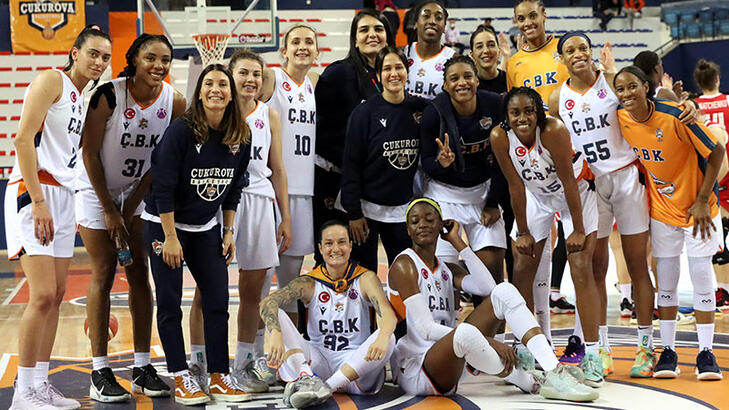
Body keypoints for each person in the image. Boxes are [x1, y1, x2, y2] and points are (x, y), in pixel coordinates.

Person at [387, 198, 598, 402]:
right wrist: (490, 342)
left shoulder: (446, 269)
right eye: (414, 221)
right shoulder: (405, 265)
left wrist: (459, 243)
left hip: (453, 358)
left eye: (429, 220)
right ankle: (529, 382)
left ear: (442, 225)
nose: (422, 225)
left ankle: (554, 371)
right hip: (416, 368)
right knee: (465, 333)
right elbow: (426, 329)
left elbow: (488, 288)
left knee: (504, 290)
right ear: (408, 230)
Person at [4, 25, 111, 410]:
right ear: (75, 53)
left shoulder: (84, 99)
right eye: (93, 53)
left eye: (105, 57)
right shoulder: (52, 80)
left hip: (64, 195)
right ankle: (22, 392)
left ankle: (39, 384)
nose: (98, 62)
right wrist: (37, 201)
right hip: (34, 190)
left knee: (58, 295)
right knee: (43, 294)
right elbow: (22, 139)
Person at [75, 33, 185, 402]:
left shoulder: (175, 101)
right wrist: (109, 209)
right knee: (105, 270)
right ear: (134, 59)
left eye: (165, 60)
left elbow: (162, 160)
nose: (158, 65)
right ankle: (99, 370)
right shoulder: (108, 95)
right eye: (151, 58)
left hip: (137, 192)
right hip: (94, 189)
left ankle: (141, 367)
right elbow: (89, 153)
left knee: (140, 271)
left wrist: (130, 205)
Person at [142, 64, 252, 405]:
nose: (216, 89)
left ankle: (219, 376)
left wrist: (228, 230)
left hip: (206, 227)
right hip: (165, 224)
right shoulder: (181, 131)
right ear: (200, 92)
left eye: (223, 84)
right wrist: (170, 237)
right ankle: (181, 376)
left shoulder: (241, 136)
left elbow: (234, 188)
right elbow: (162, 187)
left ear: (231, 94)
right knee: (170, 302)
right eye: (209, 83)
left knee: (218, 300)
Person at [549, 32, 655, 378]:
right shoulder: (557, 98)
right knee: (596, 268)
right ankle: (603, 349)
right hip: (588, 185)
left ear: (591, 52)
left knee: (637, 265)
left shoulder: (611, 82)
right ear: (561, 58)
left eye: (583, 48)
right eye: (570, 50)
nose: (578, 54)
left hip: (625, 178)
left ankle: (646, 347)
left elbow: (654, 103)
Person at [187, 49, 291, 393]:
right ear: (231, 78)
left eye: (256, 74)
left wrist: (285, 217)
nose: (251, 79)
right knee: (206, 287)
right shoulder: (215, 114)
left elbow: (278, 170)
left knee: (254, 289)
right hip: (219, 200)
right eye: (244, 73)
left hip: (260, 200)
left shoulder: (269, 115)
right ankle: (199, 362)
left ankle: (245, 362)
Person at [614, 66, 725, 381]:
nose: (626, 94)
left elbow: (717, 152)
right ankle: (668, 351)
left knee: (701, 278)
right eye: (620, 89)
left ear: (646, 87)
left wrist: (702, 200)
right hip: (662, 212)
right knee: (666, 281)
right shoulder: (620, 117)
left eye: (632, 87)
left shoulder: (676, 115)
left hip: (698, 210)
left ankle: (706, 353)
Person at [490, 87, 605, 386]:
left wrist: (577, 229)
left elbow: (568, 181)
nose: (522, 118)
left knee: (580, 265)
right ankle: (525, 348)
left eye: (529, 111)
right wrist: (523, 232)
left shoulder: (553, 130)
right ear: (506, 116)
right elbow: (515, 185)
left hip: (576, 194)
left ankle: (594, 354)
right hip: (536, 197)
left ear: (538, 113)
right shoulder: (500, 137)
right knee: (521, 265)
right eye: (515, 113)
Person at [259, 220, 397, 409]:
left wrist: (383, 336)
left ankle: (326, 387)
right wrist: (276, 334)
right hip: (319, 364)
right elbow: (267, 303)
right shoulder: (309, 282)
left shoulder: (365, 278)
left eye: (342, 242)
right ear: (320, 248)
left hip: (357, 368)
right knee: (278, 316)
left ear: (350, 245)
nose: (336, 249)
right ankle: (307, 378)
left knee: (389, 337)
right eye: (329, 243)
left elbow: (387, 313)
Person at [506, 0, 575, 324]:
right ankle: (533, 337)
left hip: (571, 161)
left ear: (544, 15)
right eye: (521, 18)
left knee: (583, 258)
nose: (527, 23)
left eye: (532, 15)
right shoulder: (515, 63)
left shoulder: (564, 52)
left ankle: (590, 342)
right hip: (535, 170)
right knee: (530, 256)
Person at [420, 56, 507, 312]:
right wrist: (441, 164)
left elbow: (504, 160)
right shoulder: (433, 113)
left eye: (467, 76)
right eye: (454, 78)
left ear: (477, 80)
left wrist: (493, 202)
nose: (462, 83)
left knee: (492, 281)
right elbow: (427, 163)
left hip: (483, 195)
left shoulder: (495, 105)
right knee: (444, 280)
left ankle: (491, 334)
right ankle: (448, 332)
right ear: (445, 85)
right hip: (444, 196)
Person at [314, 9, 394, 263]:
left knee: (367, 260)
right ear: (355, 39)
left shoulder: (392, 75)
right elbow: (321, 129)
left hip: (376, 185)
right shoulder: (338, 73)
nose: (372, 35)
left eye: (378, 29)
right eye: (364, 30)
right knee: (333, 258)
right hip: (335, 182)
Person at [341, 47, 427, 271]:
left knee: (404, 276)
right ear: (378, 75)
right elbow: (351, 165)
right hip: (367, 210)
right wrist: (354, 213)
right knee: (365, 276)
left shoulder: (421, 109)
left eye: (399, 67)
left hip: (402, 210)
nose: (394, 73)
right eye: (387, 69)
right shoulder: (364, 113)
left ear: (407, 71)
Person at [260, 24, 320, 330]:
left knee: (291, 287)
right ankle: (257, 349)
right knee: (260, 281)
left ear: (317, 51)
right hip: (269, 192)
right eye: (295, 41)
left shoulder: (314, 82)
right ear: (284, 50)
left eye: (309, 41)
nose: (302, 46)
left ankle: (291, 350)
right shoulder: (271, 77)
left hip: (303, 192)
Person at [694, 59, 729, 309]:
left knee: (720, 235)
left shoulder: (694, 106)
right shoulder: (728, 101)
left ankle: (723, 290)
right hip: (727, 165)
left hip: (712, 172)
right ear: (717, 79)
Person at [405, 1, 455, 100]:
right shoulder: (403, 54)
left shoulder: (453, 59)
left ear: (444, 27)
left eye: (438, 18)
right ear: (416, 24)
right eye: (426, 16)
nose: (432, 21)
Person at [470, 25, 508, 95]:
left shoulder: (510, 80)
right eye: (479, 46)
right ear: (472, 55)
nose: (486, 51)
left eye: (491, 45)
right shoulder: (469, 85)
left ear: (499, 51)